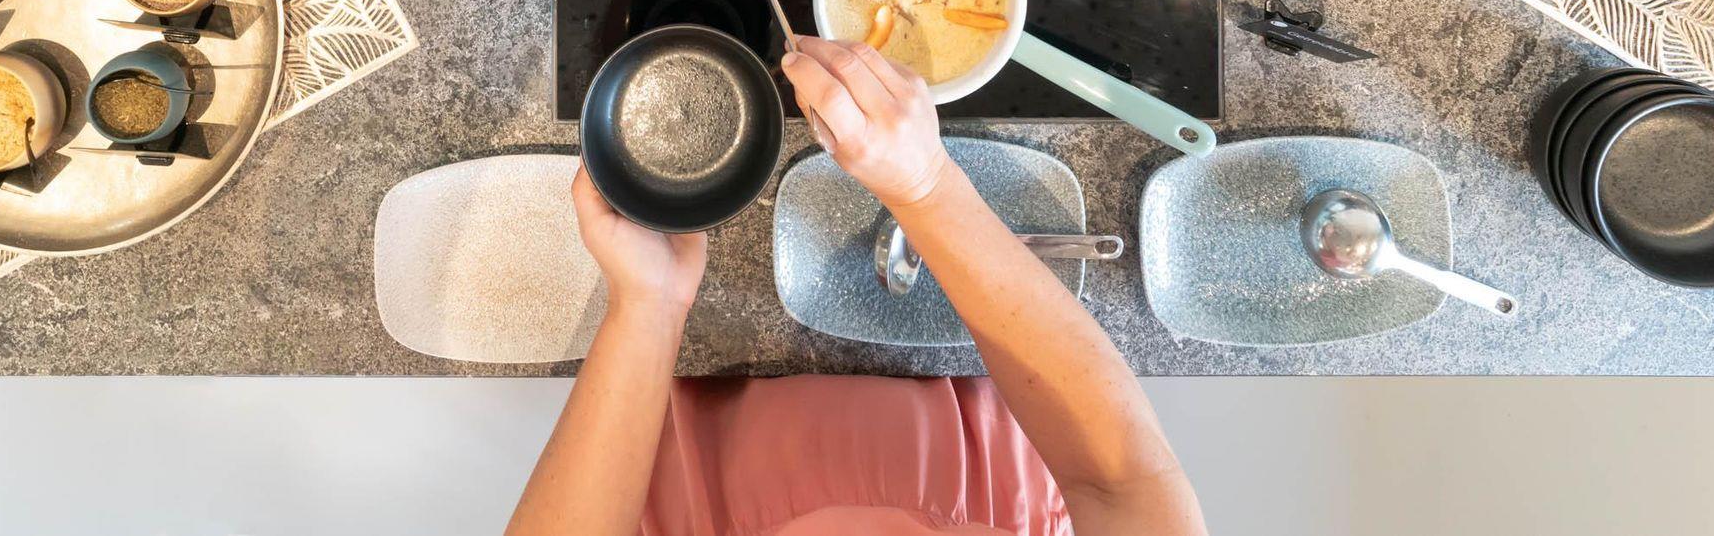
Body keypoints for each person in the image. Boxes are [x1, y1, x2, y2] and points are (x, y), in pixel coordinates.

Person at [505, 36, 1207, 536]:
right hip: (984, 464)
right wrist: (925, 186)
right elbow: (1121, 483)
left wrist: (648, 304)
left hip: (701, 481)